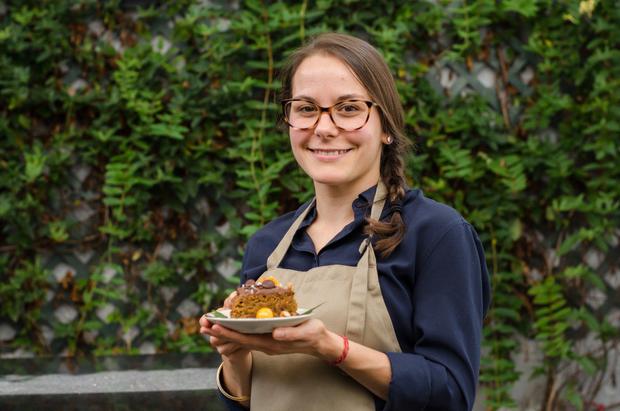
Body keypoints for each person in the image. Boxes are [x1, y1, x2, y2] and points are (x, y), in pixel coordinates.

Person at [199, 32, 491, 411]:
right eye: (306, 108)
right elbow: (249, 401)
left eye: (349, 108)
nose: (323, 128)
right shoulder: (267, 245)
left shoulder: (436, 235)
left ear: (386, 127)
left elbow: (450, 394)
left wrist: (330, 347)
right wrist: (234, 353)